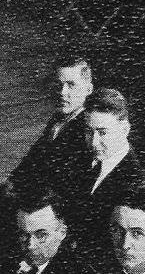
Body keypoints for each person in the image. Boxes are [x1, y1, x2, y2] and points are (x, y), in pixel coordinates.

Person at [58, 88, 145, 260]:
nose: (93, 142)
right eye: (89, 131)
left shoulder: (136, 184)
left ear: (125, 130)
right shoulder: (84, 159)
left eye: (102, 132)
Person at [11, 57, 96, 193]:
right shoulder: (59, 117)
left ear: (88, 89)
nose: (62, 92)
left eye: (71, 85)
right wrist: (12, 180)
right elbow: (35, 154)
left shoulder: (88, 130)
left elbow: (63, 185)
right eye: (59, 85)